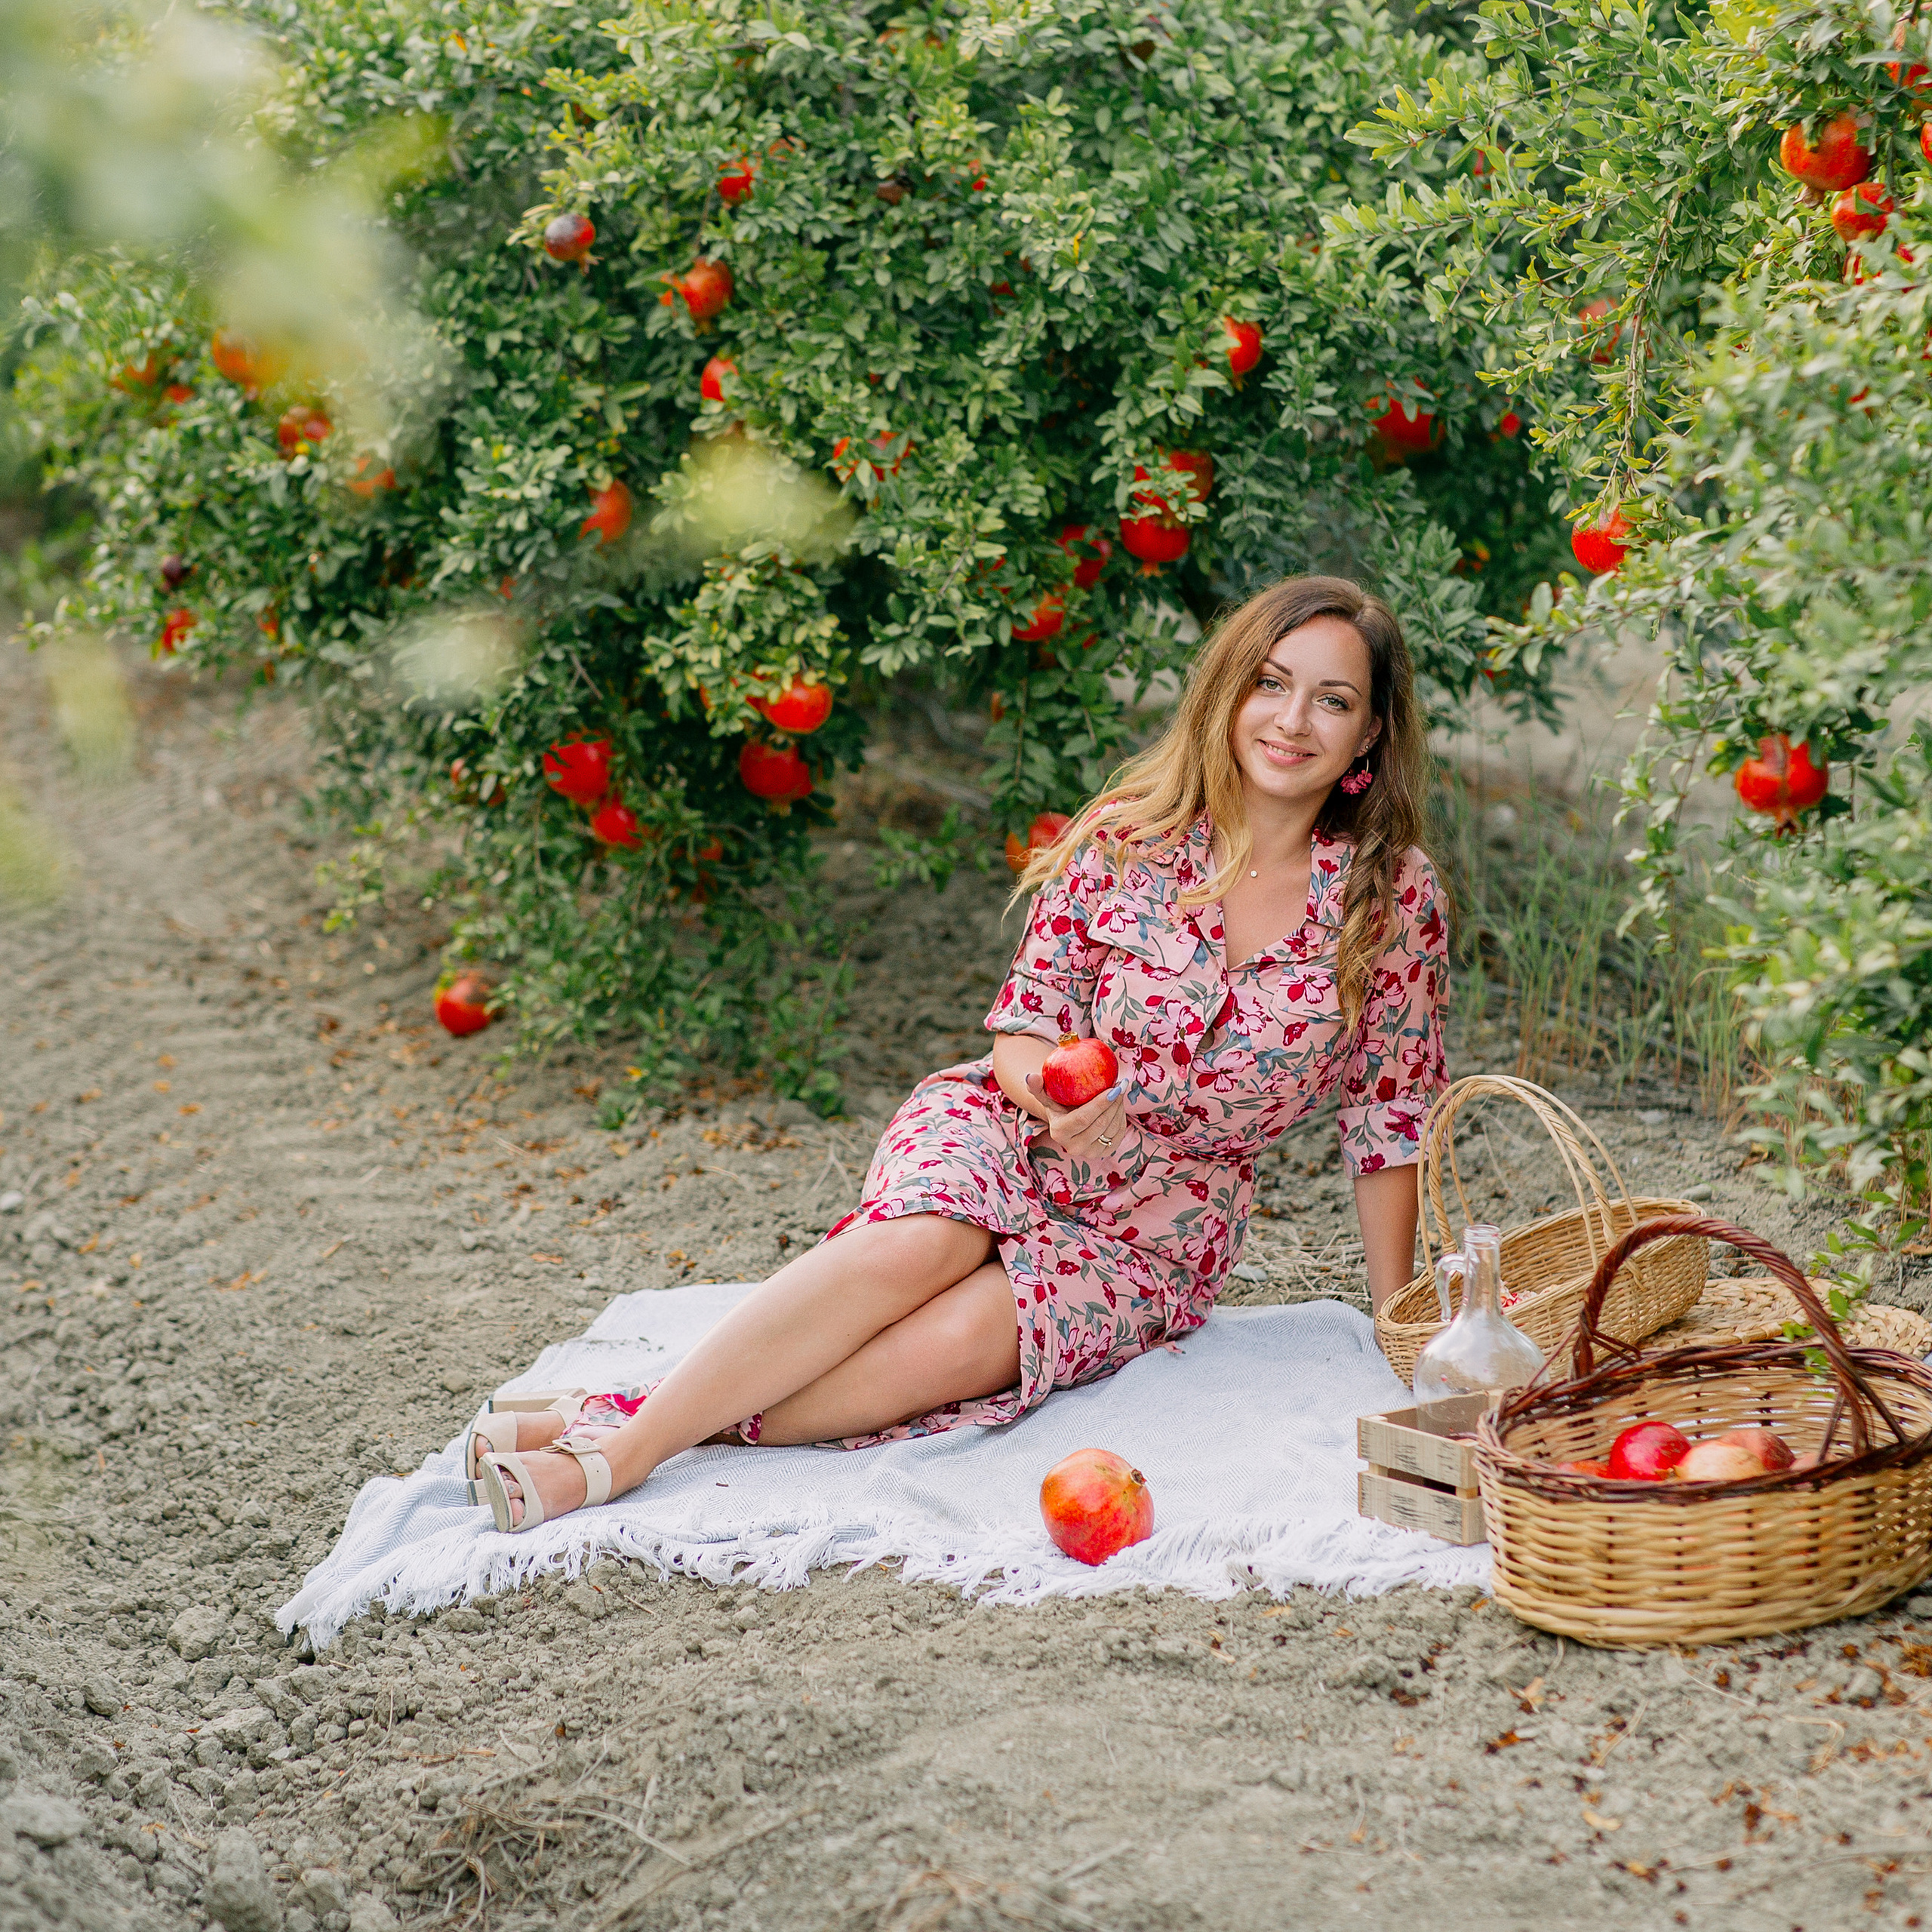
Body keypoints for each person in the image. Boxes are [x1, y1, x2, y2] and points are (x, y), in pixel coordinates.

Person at [468, 574, 1449, 1532]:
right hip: (1013, 1126)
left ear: (1367, 734)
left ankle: (611, 1414)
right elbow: (1026, 1026)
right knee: (922, 1243)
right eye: (1270, 683)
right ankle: (620, 1459)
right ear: (1229, 693)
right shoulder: (1128, 840)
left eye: (1333, 700)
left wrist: (1392, 1321)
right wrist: (1060, 1102)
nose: (1291, 720)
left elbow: (1389, 1119)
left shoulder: (1391, 900)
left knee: (947, 1346)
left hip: (1158, 1229)